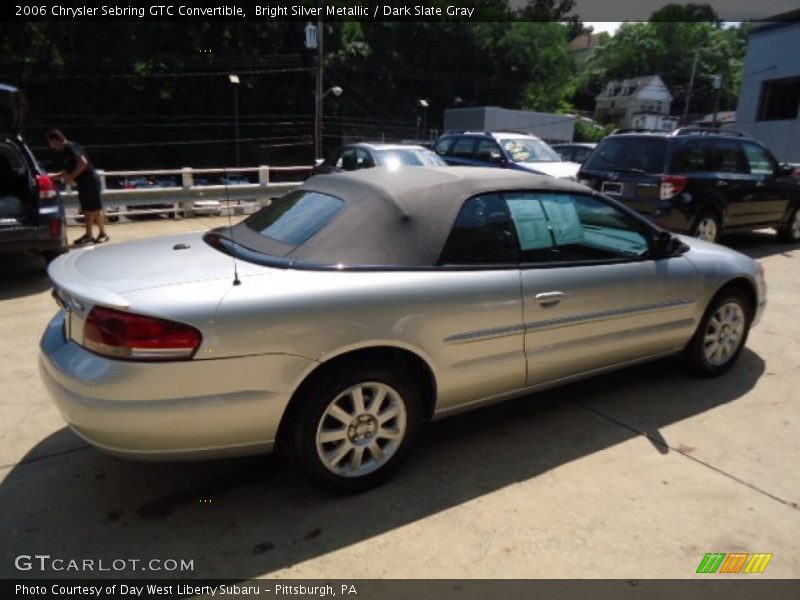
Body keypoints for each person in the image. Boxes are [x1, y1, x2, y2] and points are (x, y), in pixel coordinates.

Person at [46, 129, 108, 244]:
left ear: (56, 140)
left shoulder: (70, 147)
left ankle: (103, 234)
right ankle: (89, 235)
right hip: (83, 182)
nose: (51, 146)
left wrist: (71, 177)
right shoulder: (66, 151)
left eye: (51, 143)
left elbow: (83, 163)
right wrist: (48, 178)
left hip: (90, 180)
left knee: (95, 208)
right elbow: (64, 172)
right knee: (87, 210)